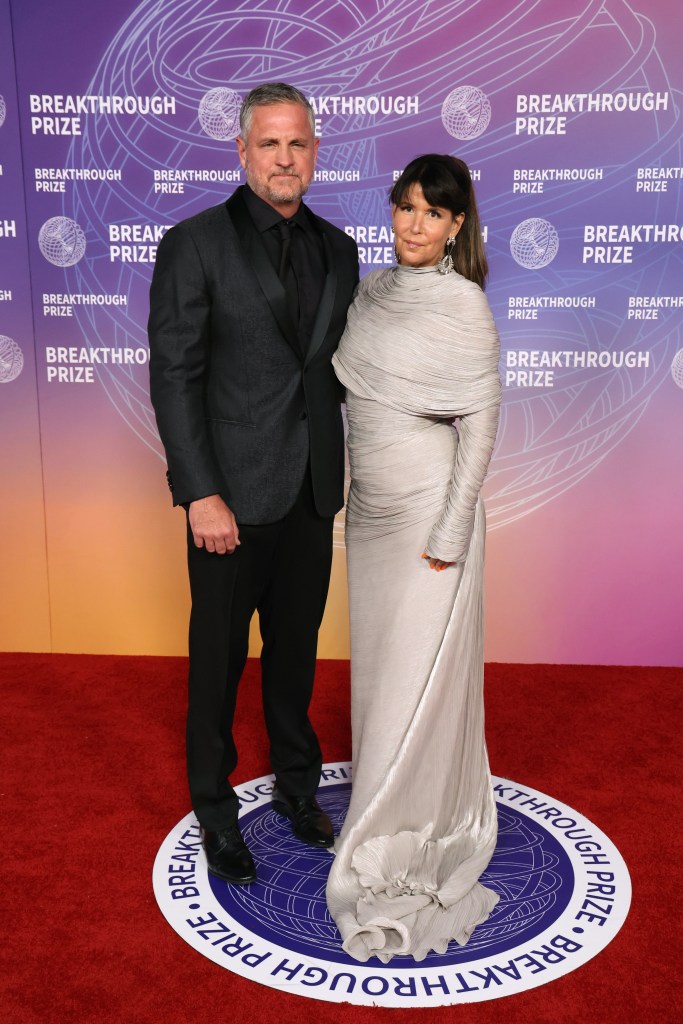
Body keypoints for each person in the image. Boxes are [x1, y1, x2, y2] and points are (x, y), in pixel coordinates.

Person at [148, 83, 359, 885]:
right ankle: (214, 813)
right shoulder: (194, 242)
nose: (283, 158)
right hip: (227, 501)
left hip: (310, 492)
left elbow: (339, 371)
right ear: (241, 152)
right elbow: (175, 375)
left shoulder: (340, 249)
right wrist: (199, 491)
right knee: (218, 660)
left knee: (295, 657)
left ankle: (298, 792)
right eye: (268, 144)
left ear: (314, 153)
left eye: (297, 144)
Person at [326, 154, 502, 962]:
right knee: (379, 680)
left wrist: (450, 533)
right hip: (369, 515)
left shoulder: (464, 306)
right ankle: (379, 801)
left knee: (414, 689)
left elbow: (480, 424)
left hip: (431, 515)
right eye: (403, 208)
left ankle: (402, 829)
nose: (413, 225)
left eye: (431, 214)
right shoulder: (369, 292)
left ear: (456, 225)